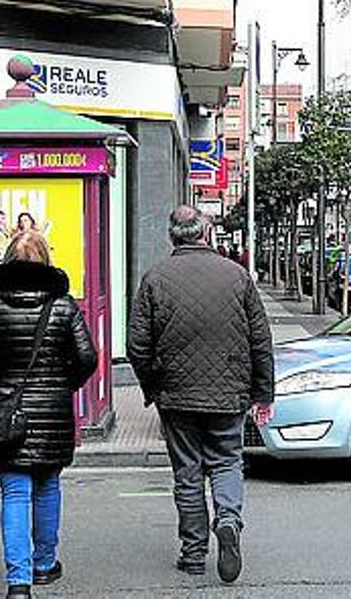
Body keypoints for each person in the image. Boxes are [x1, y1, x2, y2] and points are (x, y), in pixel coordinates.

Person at [128, 206, 274, 584]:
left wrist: (151, 386)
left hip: (176, 395)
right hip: (229, 391)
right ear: (206, 232)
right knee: (227, 461)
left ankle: (193, 554)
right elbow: (261, 339)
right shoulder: (237, 276)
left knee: (188, 474)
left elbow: (137, 345)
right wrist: (263, 394)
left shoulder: (155, 278)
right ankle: (227, 519)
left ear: (172, 235)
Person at [0, 232, 98, 598]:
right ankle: (44, 564)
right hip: (52, 411)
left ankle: (18, 583)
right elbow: (87, 358)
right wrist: (62, 386)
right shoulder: (63, 305)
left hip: (5, 413)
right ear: (46, 258)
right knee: (48, 484)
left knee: (15, 493)